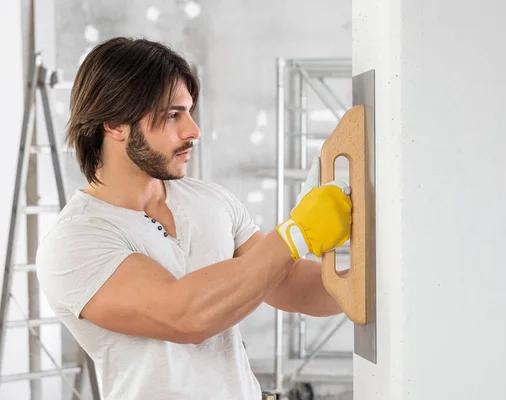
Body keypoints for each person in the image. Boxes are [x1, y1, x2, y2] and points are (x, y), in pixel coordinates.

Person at [35, 37, 352, 400]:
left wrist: (370, 276)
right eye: (172, 115)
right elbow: (185, 316)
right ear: (114, 124)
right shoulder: (76, 241)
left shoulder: (212, 200)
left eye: (188, 112)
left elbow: (289, 283)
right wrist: (297, 234)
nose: (193, 131)